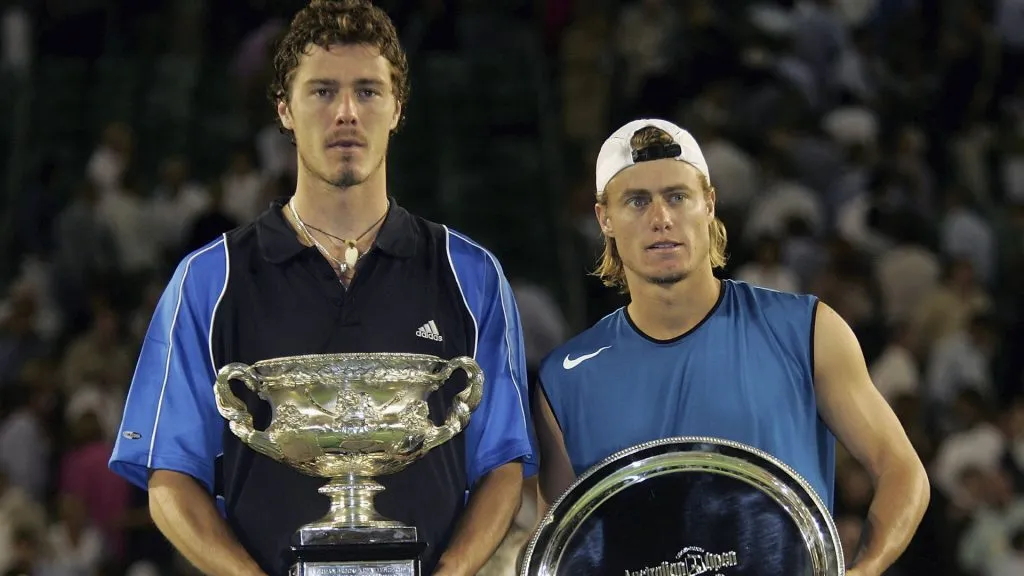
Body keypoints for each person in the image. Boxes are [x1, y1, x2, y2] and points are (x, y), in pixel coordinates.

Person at [108, 2, 536, 575]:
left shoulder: (470, 273)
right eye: (322, 91)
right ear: (284, 109)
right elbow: (169, 478)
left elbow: (503, 466)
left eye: (367, 90)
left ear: (397, 107)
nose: (346, 113)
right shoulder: (209, 279)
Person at [532, 119, 930, 576]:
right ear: (605, 219)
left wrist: (864, 569)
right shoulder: (565, 377)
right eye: (636, 201)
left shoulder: (804, 329)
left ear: (709, 204)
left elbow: (903, 471)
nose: (661, 218)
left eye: (677, 196)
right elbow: (561, 549)